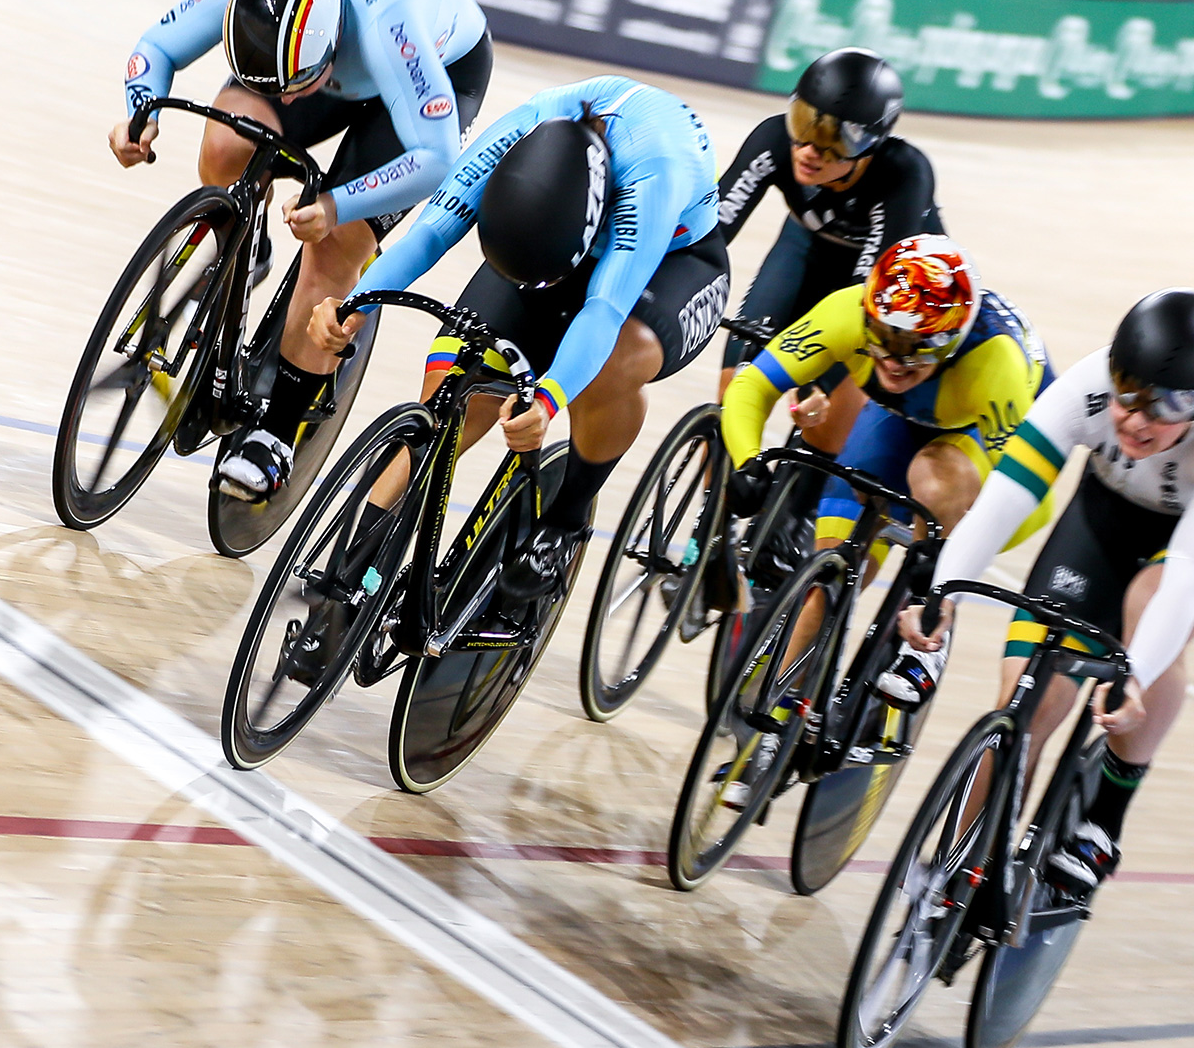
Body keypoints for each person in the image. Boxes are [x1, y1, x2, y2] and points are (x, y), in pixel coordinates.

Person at [899, 290, 1194, 896]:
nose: (1136, 419)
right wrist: (943, 594)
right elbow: (1002, 501)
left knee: (1149, 608)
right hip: (1109, 513)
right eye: (1129, 393)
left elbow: (1185, 580)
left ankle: (1105, 815)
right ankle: (948, 878)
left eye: (1166, 406)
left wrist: (1135, 679)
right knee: (1024, 705)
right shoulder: (1088, 385)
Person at [108, 0, 493, 501]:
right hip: (321, 62)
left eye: (295, 89)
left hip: (430, 79)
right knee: (226, 145)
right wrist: (140, 114)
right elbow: (156, 47)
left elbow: (436, 161)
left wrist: (339, 203)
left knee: (334, 245)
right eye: (277, 88)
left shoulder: (389, 23)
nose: (285, 102)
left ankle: (278, 431)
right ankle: (247, 242)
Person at [307, 77, 727, 603]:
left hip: (670, 267)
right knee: (455, 385)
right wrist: (355, 306)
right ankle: (353, 562)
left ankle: (567, 520)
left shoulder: (654, 173)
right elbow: (430, 234)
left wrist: (548, 401)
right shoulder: (523, 126)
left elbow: (603, 307)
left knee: (612, 363)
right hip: (543, 247)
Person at [716, 235, 1054, 803]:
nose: (896, 360)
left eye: (917, 347)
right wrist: (749, 464)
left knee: (934, 481)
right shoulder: (848, 312)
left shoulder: (996, 367)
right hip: (895, 422)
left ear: (950, 341)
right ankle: (773, 732)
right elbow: (754, 385)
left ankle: (924, 638)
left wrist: (948, 567)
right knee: (828, 575)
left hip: (975, 437)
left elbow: (1026, 499)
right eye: (886, 339)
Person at [714, 49, 941, 462]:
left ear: (870, 144)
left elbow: (870, 300)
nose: (809, 149)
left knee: (827, 426)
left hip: (883, 290)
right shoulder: (775, 140)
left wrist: (824, 378)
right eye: (803, 122)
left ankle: (797, 515)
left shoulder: (904, 174)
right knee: (735, 393)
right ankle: (710, 517)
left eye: (834, 138)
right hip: (805, 250)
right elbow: (711, 232)